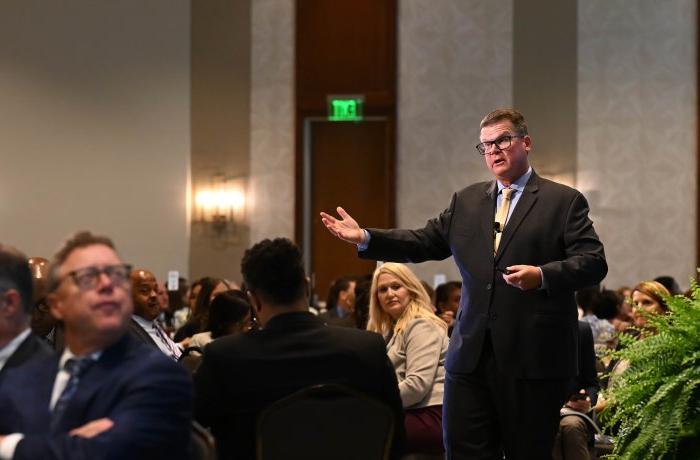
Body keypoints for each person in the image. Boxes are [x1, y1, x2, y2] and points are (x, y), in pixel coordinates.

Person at [321, 108, 608, 458]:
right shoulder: (468, 201)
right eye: (485, 145)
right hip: (470, 356)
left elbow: (593, 262)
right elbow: (423, 241)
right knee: (463, 450)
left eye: (503, 140)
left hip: (531, 357)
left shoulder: (562, 201)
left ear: (526, 143)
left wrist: (543, 276)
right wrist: (366, 237)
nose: (493, 150)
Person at [193, 238, 405, 460]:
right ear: (306, 286)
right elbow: (395, 438)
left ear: (253, 300)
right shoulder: (367, 348)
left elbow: (187, 430)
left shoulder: (225, 357)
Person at [0, 231, 193, 459]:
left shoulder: (160, 377)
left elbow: (101, 453)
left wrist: (9, 446)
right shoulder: (27, 375)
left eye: (117, 275)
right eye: (88, 277)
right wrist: (69, 444)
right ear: (56, 305)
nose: (106, 284)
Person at [367, 263, 448, 455]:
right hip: (410, 411)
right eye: (383, 289)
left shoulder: (421, 325)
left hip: (430, 415)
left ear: (411, 290)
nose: (390, 294)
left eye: (396, 286)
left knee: (357, 431)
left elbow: (417, 386)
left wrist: (373, 403)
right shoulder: (392, 330)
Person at [0, 245, 52, 380]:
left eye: (44, 306)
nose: (36, 315)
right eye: (32, 303)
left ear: (10, 303)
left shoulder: (48, 370)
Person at [128, 269, 182, 361]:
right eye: (145, 290)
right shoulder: (127, 333)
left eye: (155, 290)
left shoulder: (154, 325)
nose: (154, 295)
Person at [188, 289, 253, 348]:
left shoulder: (250, 341)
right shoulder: (201, 341)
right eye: (241, 324)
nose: (246, 329)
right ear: (223, 322)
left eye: (248, 323)